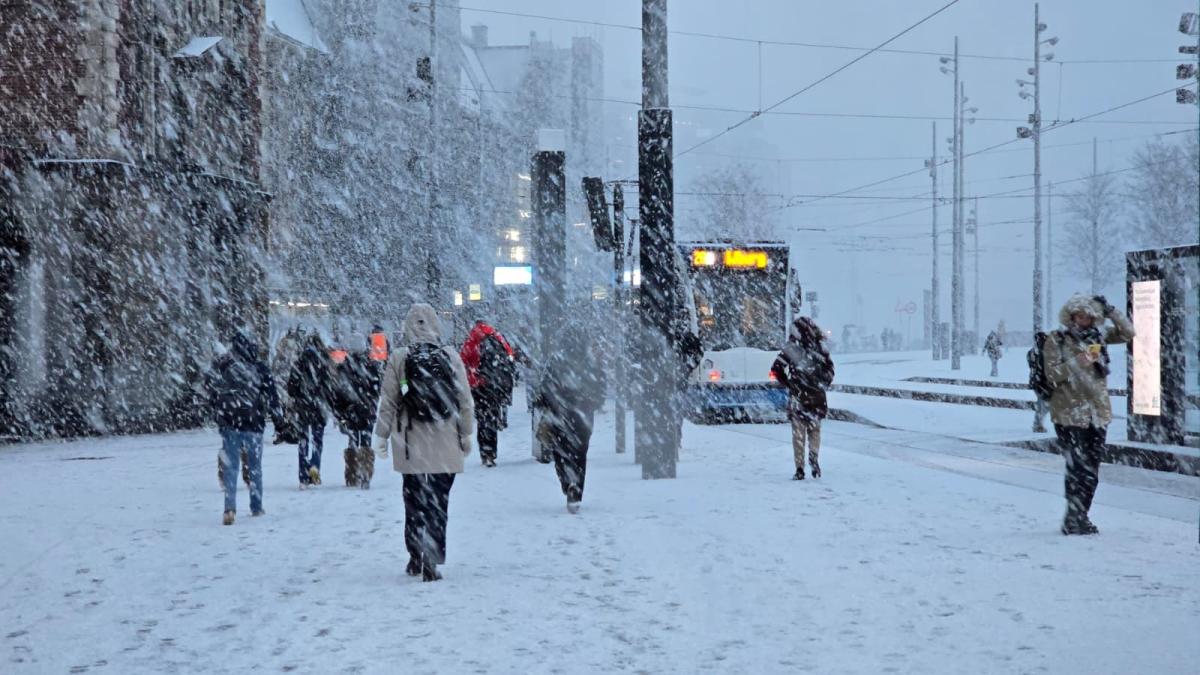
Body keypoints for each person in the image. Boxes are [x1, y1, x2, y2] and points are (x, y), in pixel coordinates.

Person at [373, 303, 474, 581]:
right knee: (439, 500)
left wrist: (381, 436)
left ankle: (415, 554)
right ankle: (432, 554)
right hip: (445, 440)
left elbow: (389, 401)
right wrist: (466, 433)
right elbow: (465, 400)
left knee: (414, 498)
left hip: (410, 440)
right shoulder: (450, 356)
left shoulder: (399, 357)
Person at [1043, 294, 1134, 535]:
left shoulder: (1099, 337)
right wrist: (1079, 361)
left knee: (1092, 469)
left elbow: (1128, 333)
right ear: (1071, 316)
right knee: (1077, 467)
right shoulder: (1057, 339)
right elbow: (1052, 375)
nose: (1084, 320)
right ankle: (1073, 516)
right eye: (1080, 316)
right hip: (1069, 414)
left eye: (1089, 316)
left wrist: (1111, 311)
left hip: (1097, 414)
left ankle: (1080, 516)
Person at [205, 330, 284, 526]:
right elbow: (272, 396)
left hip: (230, 424)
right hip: (254, 423)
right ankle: (256, 506)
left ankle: (229, 508)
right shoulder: (259, 368)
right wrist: (279, 420)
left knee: (231, 467)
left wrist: (219, 414)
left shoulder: (223, 366)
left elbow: (211, 391)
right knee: (255, 467)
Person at [535, 325, 607, 513]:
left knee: (560, 452)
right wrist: (594, 402)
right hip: (583, 416)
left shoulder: (556, 360)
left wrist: (546, 403)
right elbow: (600, 386)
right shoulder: (590, 362)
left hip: (560, 414)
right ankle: (576, 489)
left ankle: (566, 482)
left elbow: (545, 387)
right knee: (580, 454)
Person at [771, 317, 835, 480]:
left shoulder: (791, 348)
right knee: (815, 429)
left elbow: (776, 369)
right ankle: (813, 456)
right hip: (817, 395)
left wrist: (790, 384)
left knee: (798, 433)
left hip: (798, 395)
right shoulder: (821, 347)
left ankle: (799, 469)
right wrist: (821, 383)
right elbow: (830, 370)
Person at [459, 318, 515, 467]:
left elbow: (462, 360)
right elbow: (510, 354)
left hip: (480, 386)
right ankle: (492, 451)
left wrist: (472, 376)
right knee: (491, 418)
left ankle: (485, 453)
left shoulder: (472, 339)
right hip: (495, 385)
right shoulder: (497, 336)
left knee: (483, 420)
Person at [332, 335, 382, 489]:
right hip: (367, 410)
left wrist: (340, 412)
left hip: (350, 411)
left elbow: (338, 392)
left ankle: (352, 474)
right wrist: (371, 403)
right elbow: (376, 389)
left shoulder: (344, 368)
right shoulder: (371, 366)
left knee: (352, 440)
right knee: (366, 440)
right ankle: (366, 473)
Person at [288, 332, 334, 487]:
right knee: (317, 440)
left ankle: (303, 476)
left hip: (302, 408)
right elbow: (328, 387)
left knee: (303, 441)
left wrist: (299, 396)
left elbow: (291, 388)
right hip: (318, 407)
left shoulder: (298, 363)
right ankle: (315, 465)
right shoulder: (323, 363)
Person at [1027, 331, 1050, 433]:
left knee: (1042, 403)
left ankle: (1038, 424)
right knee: (1044, 404)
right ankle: (1037, 425)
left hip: (1036, 380)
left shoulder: (1032, 351)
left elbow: (1032, 365)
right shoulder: (1042, 351)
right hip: (1042, 381)